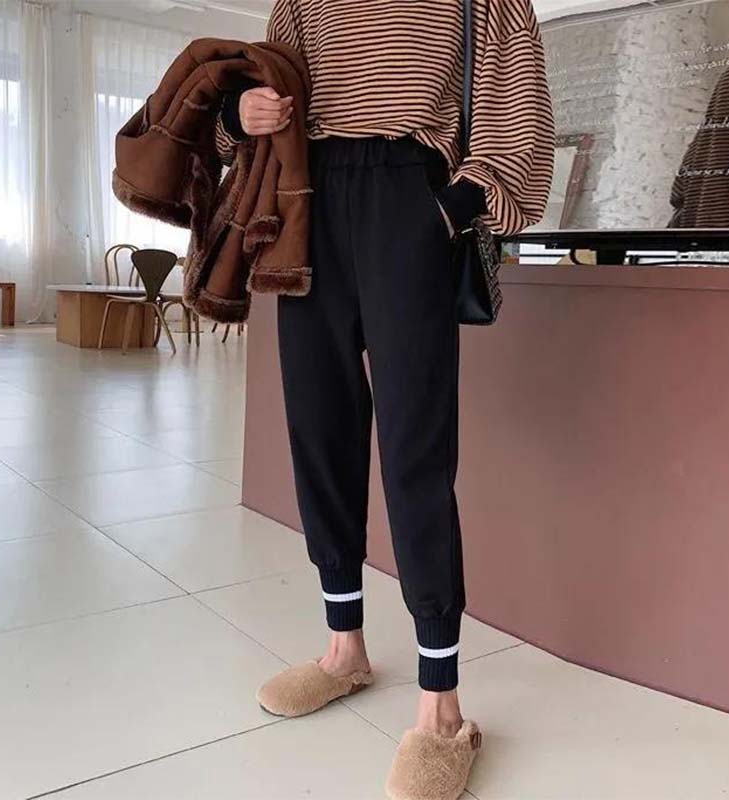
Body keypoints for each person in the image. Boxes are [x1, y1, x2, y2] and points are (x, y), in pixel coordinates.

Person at [217, 1, 554, 797]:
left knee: (415, 450)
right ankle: (344, 647)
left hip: (409, 195)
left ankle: (442, 706)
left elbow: (519, 121)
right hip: (306, 202)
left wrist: (444, 209)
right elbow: (267, 97)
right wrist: (240, 112)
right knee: (320, 429)